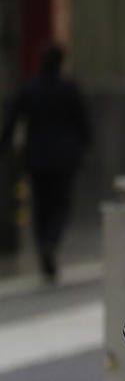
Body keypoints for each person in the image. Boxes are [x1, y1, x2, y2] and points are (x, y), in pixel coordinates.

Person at [3, 43, 91, 282]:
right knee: (61, 205)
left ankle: (44, 244)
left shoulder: (29, 88)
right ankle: (51, 241)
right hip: (64, 158)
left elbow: (13, 118)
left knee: (41, 206)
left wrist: (6, 146)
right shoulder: (69, 89)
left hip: (37, 157)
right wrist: (84, 147)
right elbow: (82, 122)